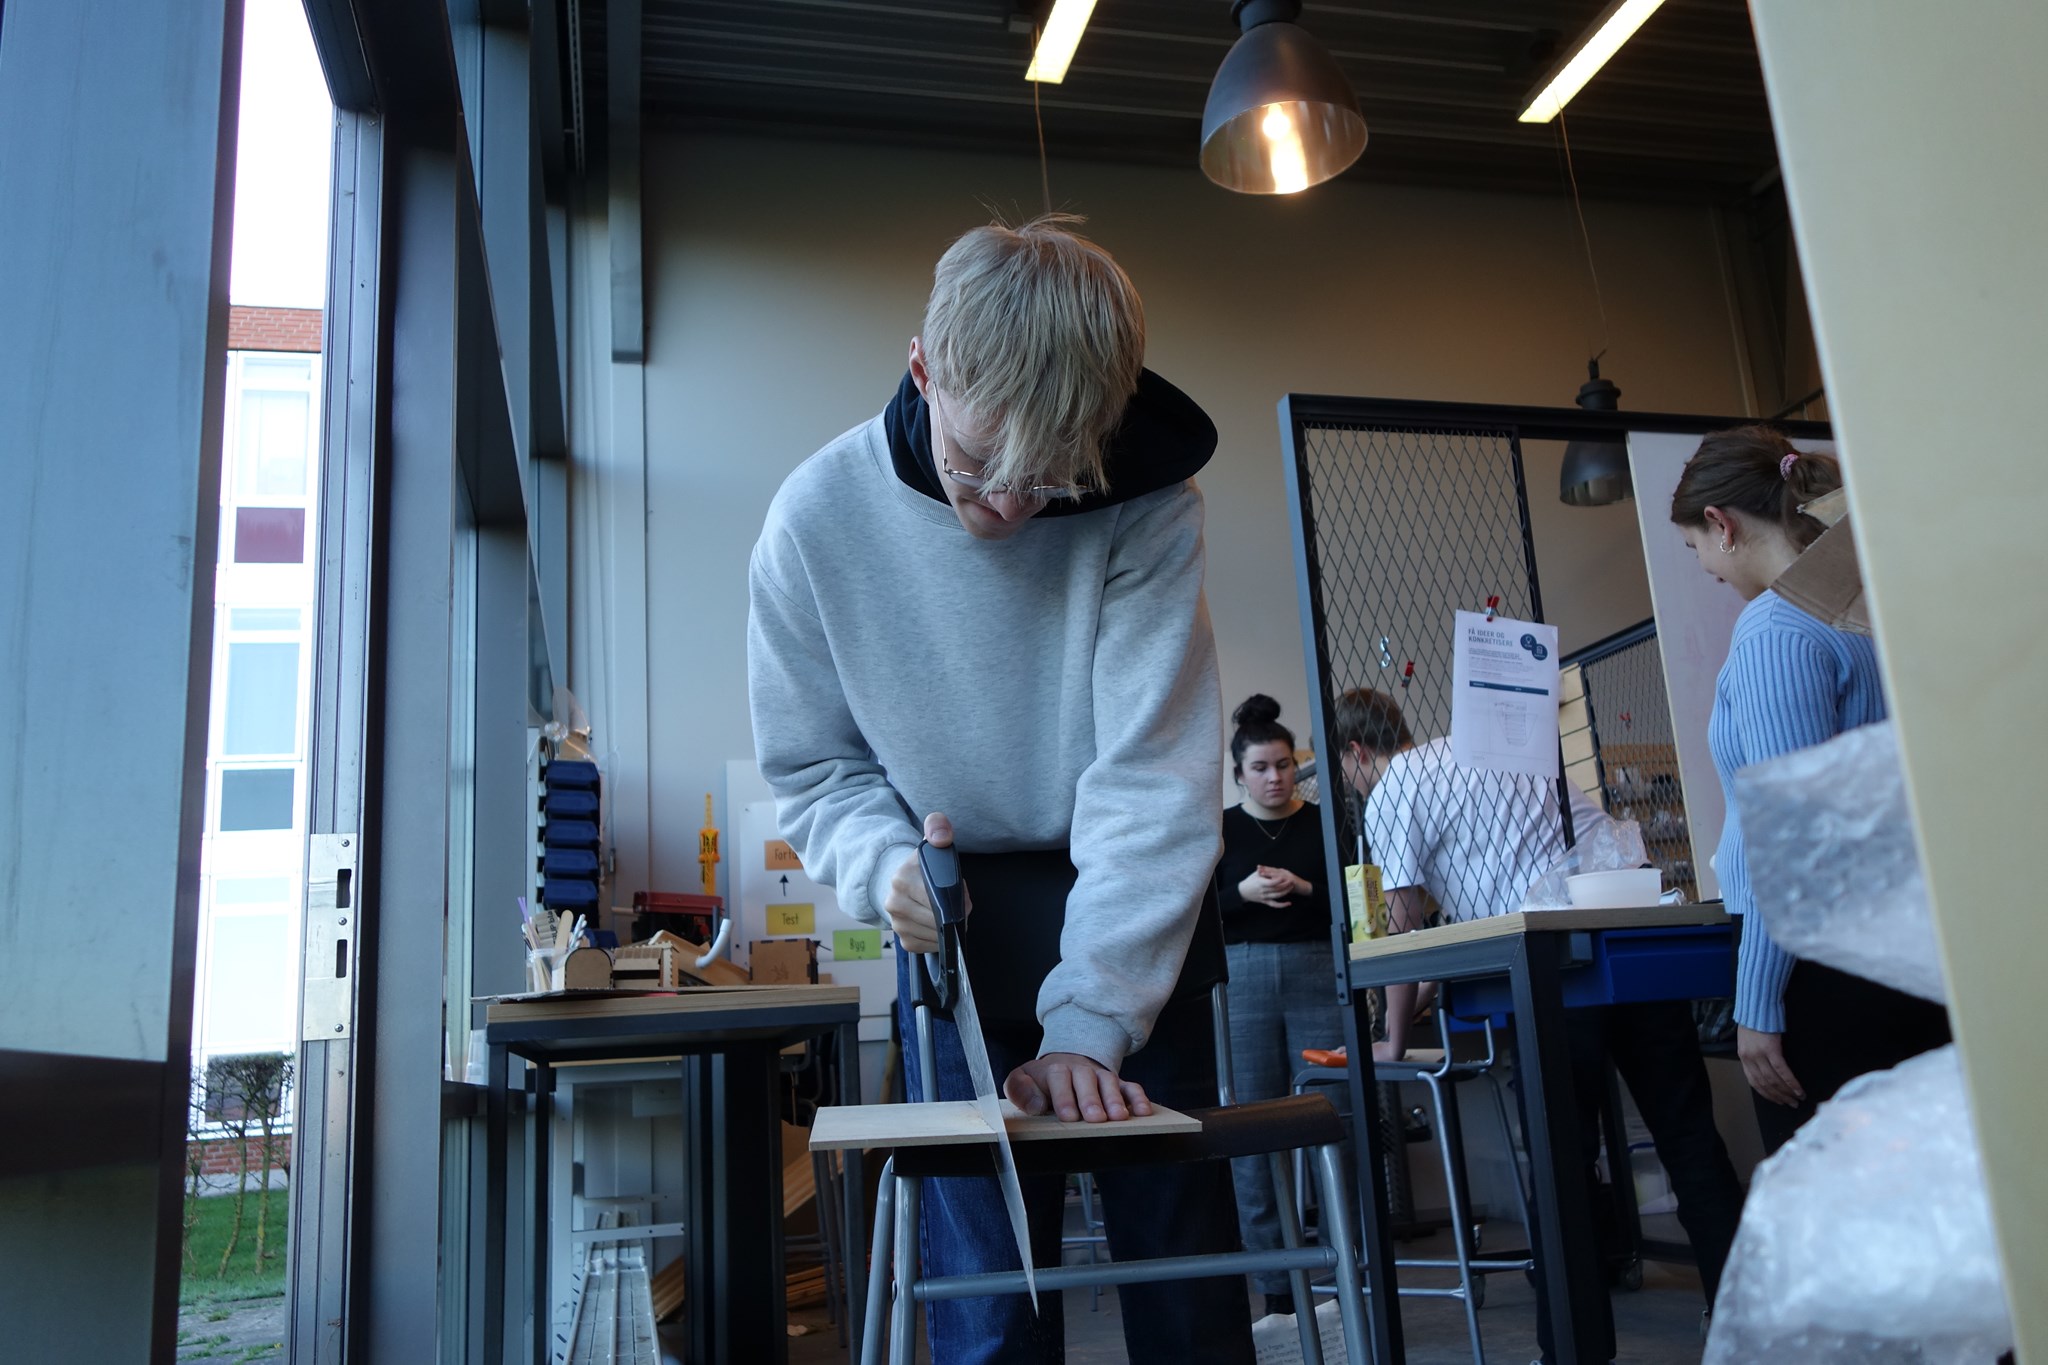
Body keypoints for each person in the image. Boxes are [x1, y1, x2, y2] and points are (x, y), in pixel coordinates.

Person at [747, 214, 1253, 1364]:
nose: (1013, 511)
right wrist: (885, 867)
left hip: (1135, 912)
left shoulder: (1146, 497)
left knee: (1181, 1285)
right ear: (922, 368)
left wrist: (1091, 1022)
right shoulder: (814, 521)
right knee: (988, 1300)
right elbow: (815, 768)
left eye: (1052, 480)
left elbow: (1152, 777)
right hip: (951, 919)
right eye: (981, 468)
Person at [1332, 687, 1743, 1360]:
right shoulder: (1495, 751)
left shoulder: (1396, 785)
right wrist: (1430, 990)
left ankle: (1572, 1349)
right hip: (1632, 939)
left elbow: (1400, 926)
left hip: (1554, 971)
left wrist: (1395, 1035)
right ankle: (1747, 1319)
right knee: (1690, 1139)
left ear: (1355, 752)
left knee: (1562, 1166)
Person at [1672, 425, 1951, 1152]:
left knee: (1838, 1187)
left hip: (1821, 967)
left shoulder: (1776, 628)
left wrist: (1758, 1001)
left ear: (1722, 524)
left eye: (1697, 549)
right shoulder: (1875, 614)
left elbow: (1792, 837)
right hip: (1913, 942)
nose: (1707, 569)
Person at [1214, 693, 1341, 1320]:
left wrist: (1306, 886)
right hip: (1242, 976)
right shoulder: (1220, 829)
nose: (1275, 777)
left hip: (1319, 967)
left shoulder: (1323, 822)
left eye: (1285, 765)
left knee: (1335, 1116)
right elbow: (1195, 911)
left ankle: (1346, 1266)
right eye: (1261, 768)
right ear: (1239, 773)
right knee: (1253, 1128)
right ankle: (1276, 1285)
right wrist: (1241, 892)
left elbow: (1354, 895)